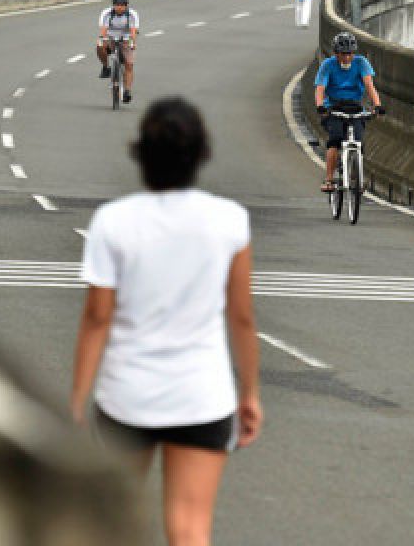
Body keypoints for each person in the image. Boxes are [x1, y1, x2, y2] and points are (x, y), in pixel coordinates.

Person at [70, 97, 262, 546]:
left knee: (115, 526)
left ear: (142, 156)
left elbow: (97, 319)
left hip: (126, 397)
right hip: (202, 397)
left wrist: (78, 402)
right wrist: (250, 393)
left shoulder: (112, 222)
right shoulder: (229, 221)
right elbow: (242, 317)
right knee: (190, 528)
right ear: (201, 155)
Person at [314, 31, 385, 193]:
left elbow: (369, 86)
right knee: (335, 140)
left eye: (350, 54)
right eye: (343, 54)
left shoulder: (361, 63)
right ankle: (329, 179)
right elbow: (320, 88)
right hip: (333, 107)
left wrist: (377, 105)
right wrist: (320, 106)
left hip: (354, 106)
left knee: (359, 141)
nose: (346, 58)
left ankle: (357, 176)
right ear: (336, 54)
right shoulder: (328, 65)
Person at [97, 0, 140, 104]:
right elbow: (103, 31)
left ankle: (127, 91)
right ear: (113, 5)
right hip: (110, 35)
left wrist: (132, 42)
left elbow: (133, 32)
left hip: (126, 36)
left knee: (129, 64)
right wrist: (102, 39)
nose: (119, 7)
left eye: (122, 5)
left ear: (126, 5)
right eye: (116, 5)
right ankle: (106, 67)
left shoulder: (132, 14)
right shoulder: (106, 13)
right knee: (100, 45)